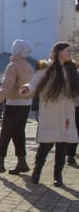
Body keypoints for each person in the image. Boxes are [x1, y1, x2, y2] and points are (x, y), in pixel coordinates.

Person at [20, 42, 79, 187]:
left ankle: (58, 177)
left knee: (62, 147)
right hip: (50, 113)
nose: (70, 54)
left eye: (71, 51)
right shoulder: (47, 69)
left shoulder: (72, 70)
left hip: (66, 114)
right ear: (58, 52)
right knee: (45, 146)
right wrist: (27, 88)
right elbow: (34, 82)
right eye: (67, 51)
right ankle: (37, 172)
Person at [0, 39, 34, 177]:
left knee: (5, 135)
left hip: (13, 105)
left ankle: (0, 164)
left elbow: (6, 87)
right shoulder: (29, 67)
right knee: (19, 134)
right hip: (26, 105)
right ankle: (22, 162)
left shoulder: (12, 66)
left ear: (16, 51)